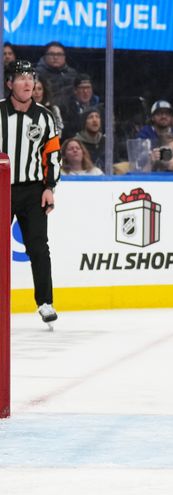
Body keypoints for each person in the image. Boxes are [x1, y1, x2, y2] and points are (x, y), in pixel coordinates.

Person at [0, 60, 61, 324]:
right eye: (21, 77)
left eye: (31, 77)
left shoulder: (45, 117)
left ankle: (45, 302)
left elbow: (52, 156)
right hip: (1, 188)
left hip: (34, 190)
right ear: (9, 83)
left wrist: (49, 187)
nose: (27, 82)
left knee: (38, 247)